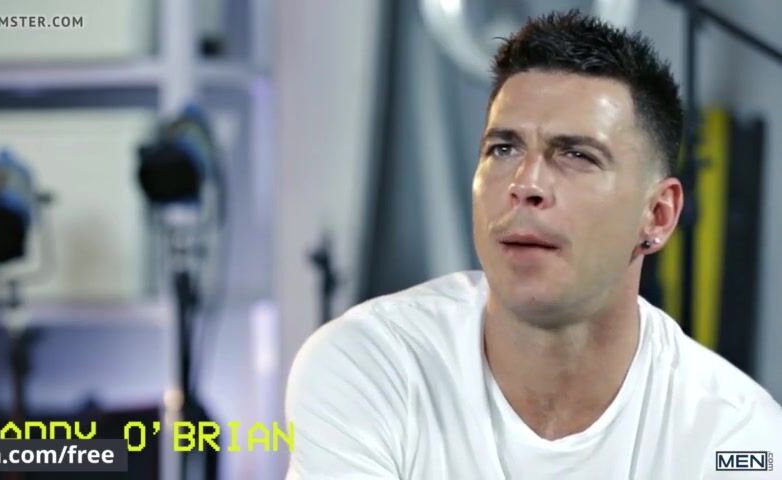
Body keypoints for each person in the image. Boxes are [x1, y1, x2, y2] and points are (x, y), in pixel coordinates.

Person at [284, 10, 782, 479]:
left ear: (658, 215)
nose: (525, 184)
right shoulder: (371, 365)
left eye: (577, 155)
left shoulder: (735, 431)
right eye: (503, 148)